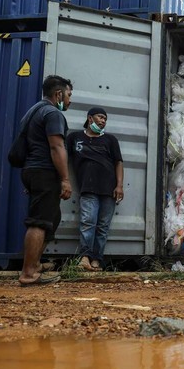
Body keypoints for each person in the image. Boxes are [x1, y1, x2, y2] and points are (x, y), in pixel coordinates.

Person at [18, 75, 73, 286]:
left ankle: (35, 264)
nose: (69, 100)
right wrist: (65, 179)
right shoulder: (52, 113)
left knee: (52, 218)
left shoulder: (32, 111)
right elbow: (56, 147)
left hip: (32, 171)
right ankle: (28, 273)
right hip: (44, 171)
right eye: (68, 95)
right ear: (58, 94)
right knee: (39, 222)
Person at [66, 107, 124, 271]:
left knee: (103, 226)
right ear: (90, 118)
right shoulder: (75, 138)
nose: (103, 121)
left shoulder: (110, 140)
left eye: (105, 119)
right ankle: (84, 257)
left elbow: (118, 162)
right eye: (100, 117)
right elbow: (62, 157)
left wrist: (119, 185)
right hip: (88, 188)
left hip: (109, 190)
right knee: (87, 222)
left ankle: (96, 260)